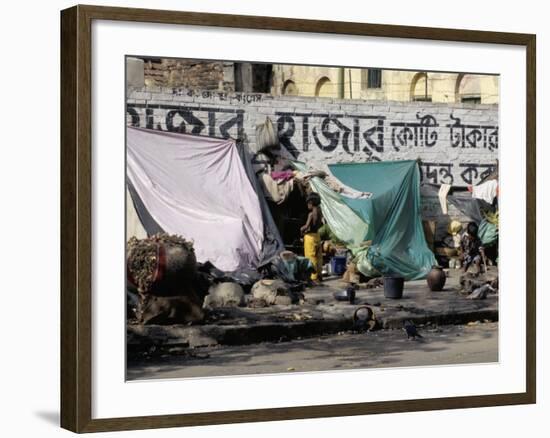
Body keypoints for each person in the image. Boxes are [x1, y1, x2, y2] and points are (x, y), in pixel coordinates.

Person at [300, 193, 323, 282]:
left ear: (311, 202)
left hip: (310, 237)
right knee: (319, 257)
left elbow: (306, 226)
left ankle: (313, 277)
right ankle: (319, 275)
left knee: (311, 257)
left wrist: (301, 229)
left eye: (308, 203)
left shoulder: (311, 214)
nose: (307, 205)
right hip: (317, 236)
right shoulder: (320, 211)